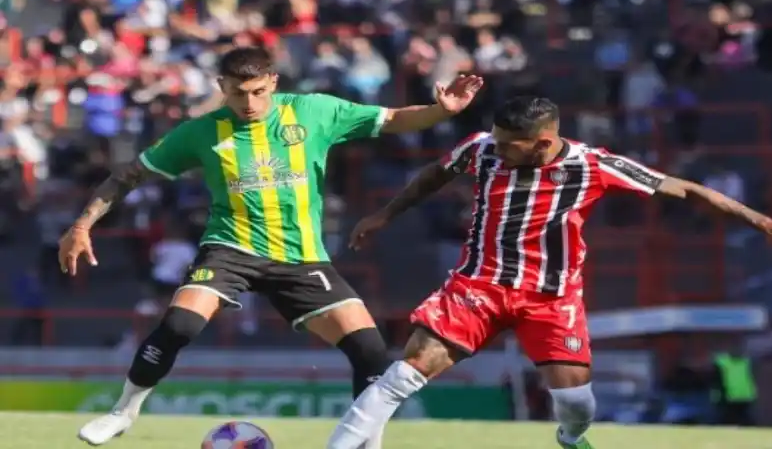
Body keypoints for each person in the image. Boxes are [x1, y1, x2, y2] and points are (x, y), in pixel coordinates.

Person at [325, 96, 772, 449]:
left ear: (543, 143)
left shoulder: (594, 165)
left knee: (575, 404)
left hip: (552, 298)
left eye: (509, 145)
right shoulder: (481, 148)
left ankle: (569, 438)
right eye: (495, 141)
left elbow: (687, 190)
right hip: (478, 285)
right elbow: (436, 173)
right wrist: (385, 214)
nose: (495, 150)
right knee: (401, 376)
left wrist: (763, 221)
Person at [59, 47, 483, 446]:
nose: (249, 102)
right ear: (221, 86)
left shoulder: (315, 111)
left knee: (370, 351)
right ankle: (124, 411)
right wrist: (82, 224)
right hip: (230, 249)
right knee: (180, 325)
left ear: (273, 82)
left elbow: (391, 119)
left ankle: (367, 442)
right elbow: (128, 175)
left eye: (259, 92)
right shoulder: (200, 133)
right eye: (238, 93)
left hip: (301, 257)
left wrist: (437, 112)